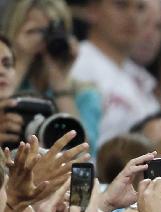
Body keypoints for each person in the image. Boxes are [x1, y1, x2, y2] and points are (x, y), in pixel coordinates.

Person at [2, 0, 102, 149]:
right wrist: (18, 58)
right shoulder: (6, 81)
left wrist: (60, 81)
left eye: (52, 32)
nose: (44, 40)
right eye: (34, 31)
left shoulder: (84, 94)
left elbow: (82, 152)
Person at [69, 0, 160, 146]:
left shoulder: (143, 79)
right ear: (93, 10)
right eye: (121, 5)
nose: (133, 16)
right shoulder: (74, 62)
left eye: (140, 8)